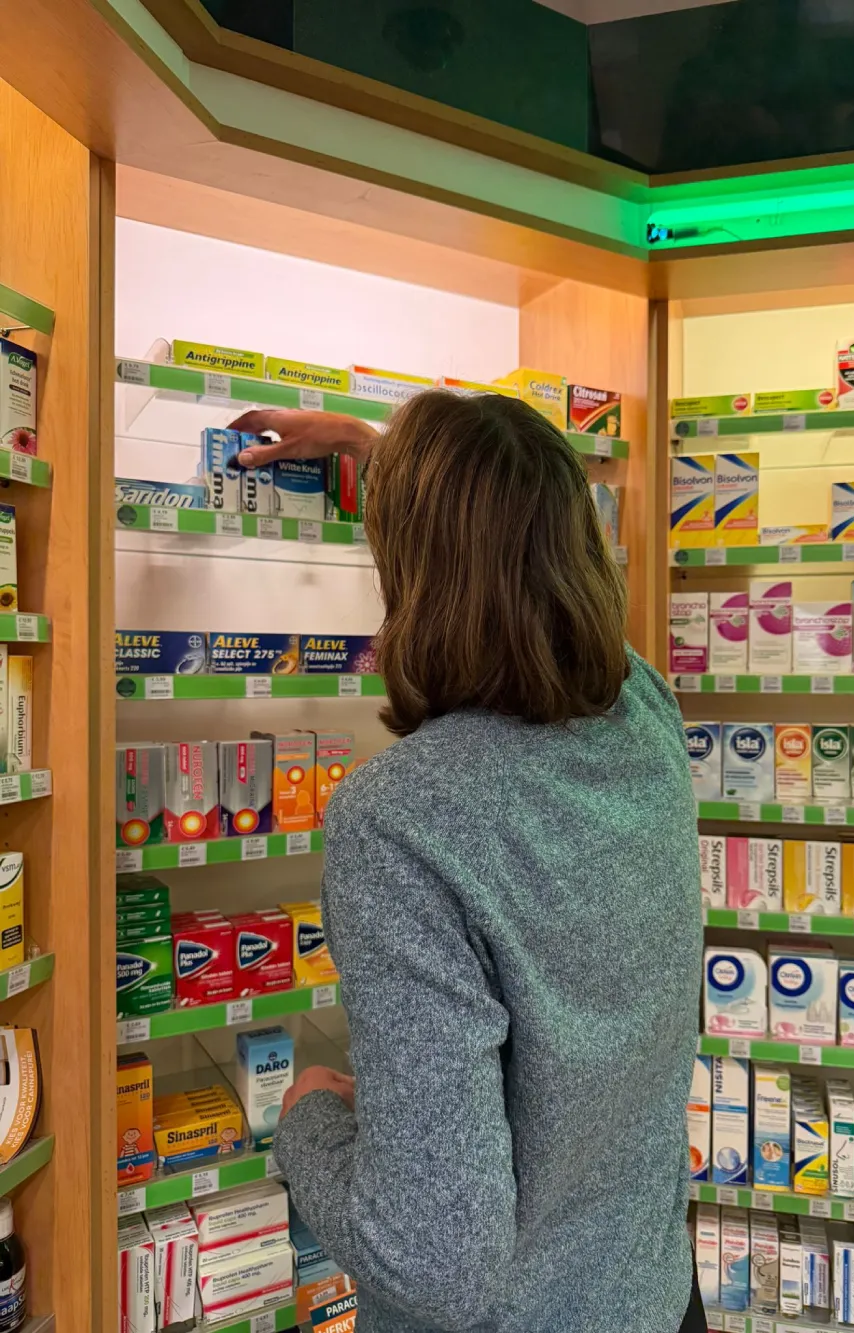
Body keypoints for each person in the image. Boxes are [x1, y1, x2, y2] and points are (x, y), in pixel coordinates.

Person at [235, 394, 703, 1333]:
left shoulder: (402, 819)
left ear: (411, 575)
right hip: (653, 1298)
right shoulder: (645, 707)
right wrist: (381, 455)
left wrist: (308, 1122)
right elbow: (515, 543)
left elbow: (436, 1263)